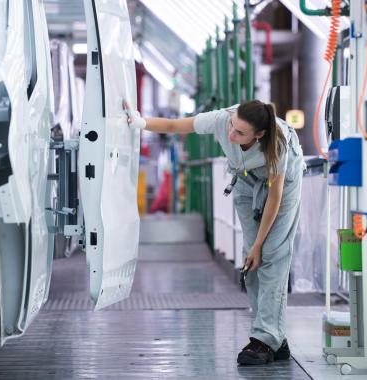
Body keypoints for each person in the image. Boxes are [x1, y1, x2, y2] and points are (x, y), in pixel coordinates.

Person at [125, 100, 304, 366]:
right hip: (244, 179)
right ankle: (273, 336)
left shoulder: (277, 144)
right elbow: (175, 125)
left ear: (260, 135)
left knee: (271, 256)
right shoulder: (223, 119)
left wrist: (259, 244)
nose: (231, 135)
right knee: (251, 262)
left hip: (282, 187)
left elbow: (274, 198)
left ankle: (265, 339)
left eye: (240, 133)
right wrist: (139, 122)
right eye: (232, 126)